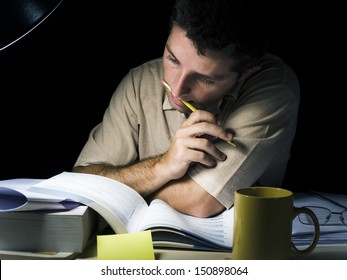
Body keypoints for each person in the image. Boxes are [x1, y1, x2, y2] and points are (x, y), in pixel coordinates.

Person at [72, 0, 300, 218]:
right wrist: (160, 168)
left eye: (205, 78)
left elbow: (200, 202)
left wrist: (121, 188)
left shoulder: (275, 86)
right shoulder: (139, 82)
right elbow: (79, 182)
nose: (177, 90)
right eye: (173, 59)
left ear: (247, 73)